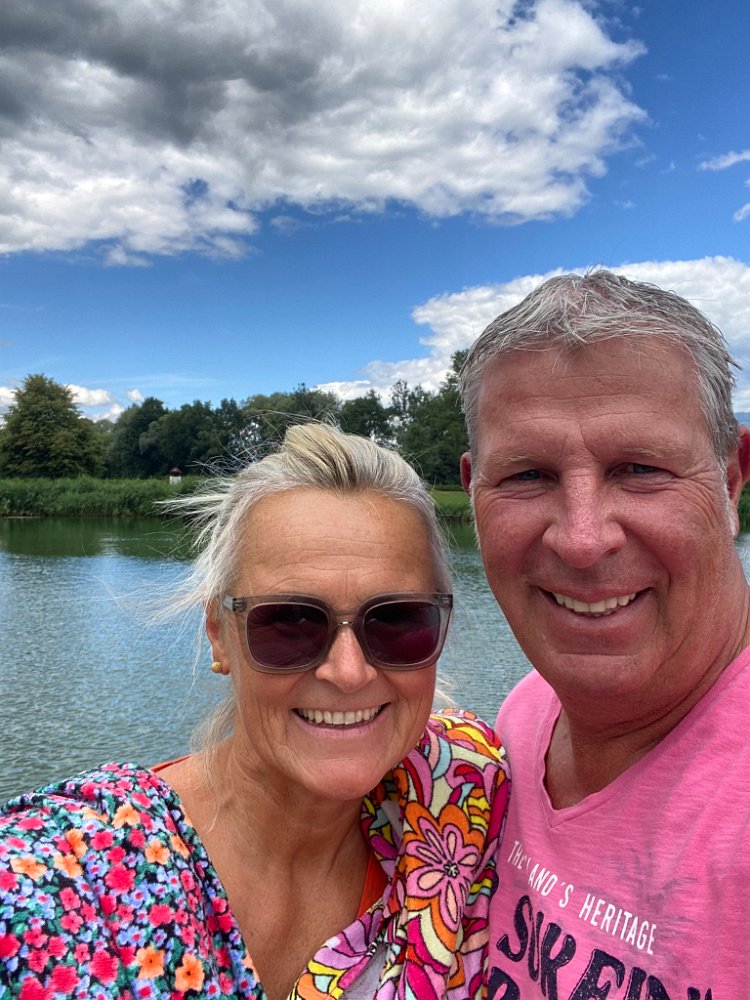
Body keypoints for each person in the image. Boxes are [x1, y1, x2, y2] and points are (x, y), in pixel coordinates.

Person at [0, 424, 510, 999]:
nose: (348, 672)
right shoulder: (61, 879)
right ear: (219, 633)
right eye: (289, 621)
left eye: (396, 619)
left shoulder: (464, 790)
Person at [458, 270, 750, 999]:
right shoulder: (525, 714)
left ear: (731, 480)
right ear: (472, 491)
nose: (583, 540)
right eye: (528, 476)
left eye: (640, 469)